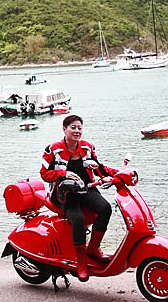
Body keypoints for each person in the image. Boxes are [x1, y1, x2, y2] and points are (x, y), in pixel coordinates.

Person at [40, 114, 117, 282]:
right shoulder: (53, 150)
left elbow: (99, 168)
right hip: (64, 194)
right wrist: (64, 173)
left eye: (79, 128)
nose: (77, 131)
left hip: (86, 189)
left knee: (105, 208)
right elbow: (44, 174)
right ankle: (81, 260)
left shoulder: (87, 147)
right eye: (73, 128)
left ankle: (94, 248)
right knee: (78, 219)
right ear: (64, 130)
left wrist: (117, 174)